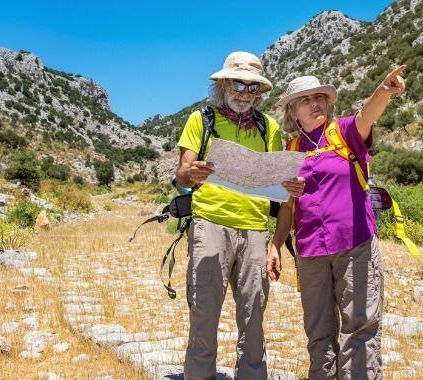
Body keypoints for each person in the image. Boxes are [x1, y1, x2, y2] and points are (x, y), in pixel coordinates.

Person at [266, 66, 406, 379]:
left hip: (355, 244)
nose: (315, 103)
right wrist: (275, 245)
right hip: (310, 252)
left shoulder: (344, 133)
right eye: (305, 100)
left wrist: (383, 89)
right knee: (318, 334)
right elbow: (286, 209)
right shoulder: (289, 151)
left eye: (319, 97)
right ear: (292, 110)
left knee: (359, 329)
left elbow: (366, 117)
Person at [174, 51, 305, 379]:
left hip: (255, 232)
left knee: (254, 321)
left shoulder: (269, 128)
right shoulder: (200, 120)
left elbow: (282, 194)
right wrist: (193, 173)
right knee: (204, 315)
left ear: (259, 92)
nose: (244, 93)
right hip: (210, 224)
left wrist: (277, 240)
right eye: (238, 84)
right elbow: (181, 177)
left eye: (252, 88)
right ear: (223, 84)